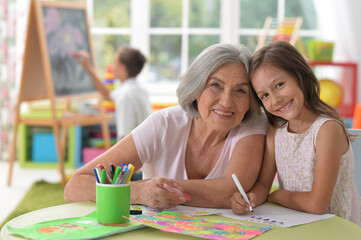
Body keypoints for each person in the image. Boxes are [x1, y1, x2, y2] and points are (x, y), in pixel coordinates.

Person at [64, 43, 268, 209]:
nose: (226, 102)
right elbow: (75, 186)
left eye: (240, 91)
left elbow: (230, 190)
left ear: (251, 99)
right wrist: (139, 192)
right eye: (215, 85)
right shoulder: (164, 124)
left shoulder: (253, 124)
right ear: (196, 88)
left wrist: (156, 188)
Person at [230, 41, 361, 226]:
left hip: (336, 227)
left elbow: (317, 204)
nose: (275, 99)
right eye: (264, 95)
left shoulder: (326, 130)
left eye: (279, 85)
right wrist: (248, 198)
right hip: (297, 222)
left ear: (300, 76)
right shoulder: (276, 130)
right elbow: (263, 186)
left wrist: (279, 195)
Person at [73, 46, 152, 140]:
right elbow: (108, 95)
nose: (112, 66)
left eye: (115, 62)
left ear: (123, 68)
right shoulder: (138, 89)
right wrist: (88, 68)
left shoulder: (125, 95)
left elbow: (124, 138)